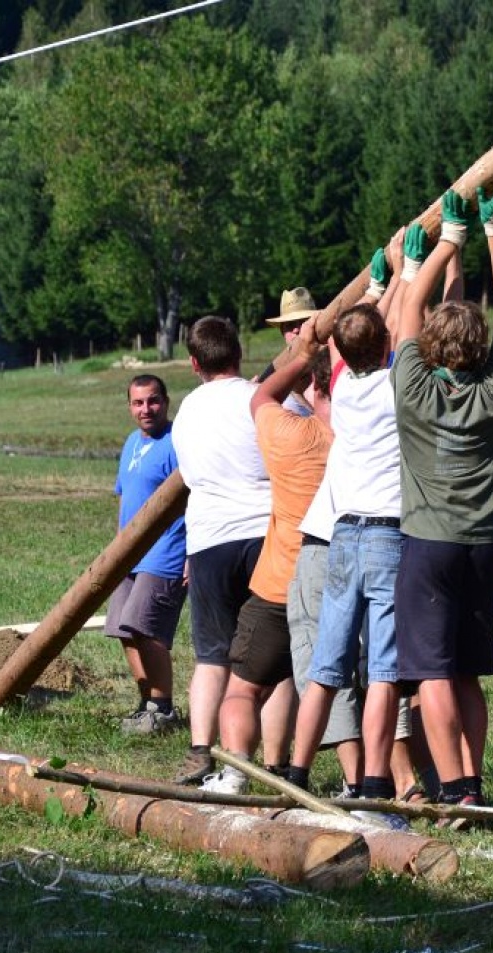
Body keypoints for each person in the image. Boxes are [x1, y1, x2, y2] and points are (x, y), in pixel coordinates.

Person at [391, 185, 493, 816]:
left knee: (433, 671)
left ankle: (454, 787)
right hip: (484, 549)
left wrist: (446, 243)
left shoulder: (412, 386)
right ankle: (475, 780)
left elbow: (410, 309)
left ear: (429, 348)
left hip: (428, 548)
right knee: (467, 671)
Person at [283, 301, 410, 825]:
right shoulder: (396, 384)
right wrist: (410, 272)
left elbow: (345, 342)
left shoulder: (341, 386)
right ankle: (374, 785)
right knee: (382, 669)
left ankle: (295, 774)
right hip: (386, 533)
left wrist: (380, 284)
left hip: (342, 534)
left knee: (325, 667)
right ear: (386, 346)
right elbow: (406, 322)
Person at [202, 327, 333, 795]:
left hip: (279, 582)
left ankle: (236, 773)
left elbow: (261, 395)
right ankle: (359, 784)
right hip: (338, 582)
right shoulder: (360, 438)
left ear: (309, 385)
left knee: (244, 687)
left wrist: (301, 356)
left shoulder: (287, 434)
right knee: (339, 689)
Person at [169, 315, 286, 784]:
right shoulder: (261, 400)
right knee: (275, 658)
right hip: (264, 534)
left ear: (194, 363)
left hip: (209, 540)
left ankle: (201, 751)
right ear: (239, 353)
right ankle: (276, 763)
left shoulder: (186, 412)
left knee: (212, 655)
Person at [106, 374, 188, 735]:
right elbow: (125, 495)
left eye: (153, 401)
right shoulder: (130, 442)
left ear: (166, 402)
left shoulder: (178, 442)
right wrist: (118, 546)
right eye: (138, 403)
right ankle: (146, 704)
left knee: (145, 626)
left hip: (166, 550)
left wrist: (191, 554)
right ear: (129, 407)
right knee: (123, 628)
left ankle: (163, 707)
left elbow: (194, 498)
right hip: (129, 554)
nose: (146, 409)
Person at [264, 287, 321, 416]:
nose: (296, 330)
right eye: (290, 325)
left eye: (303, 323)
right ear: (282, 332)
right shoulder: (274, 383)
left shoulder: (332, 365)